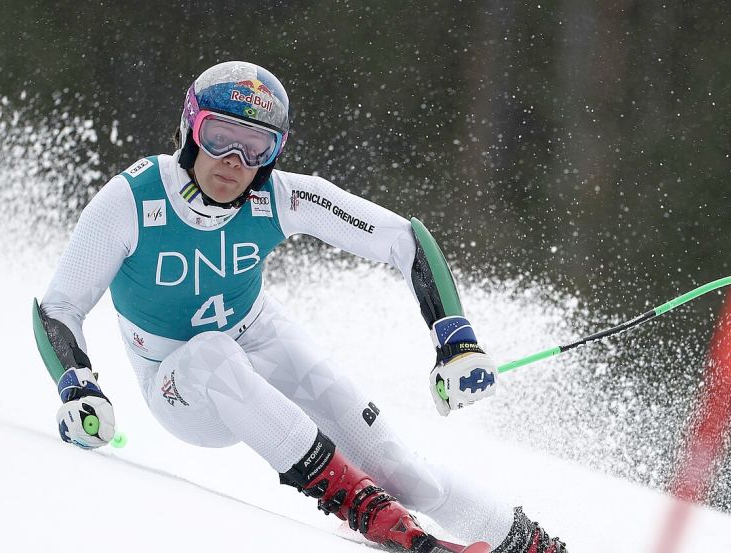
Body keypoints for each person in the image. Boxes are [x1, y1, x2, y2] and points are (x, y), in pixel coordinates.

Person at [33, 61, 566, 553]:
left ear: (275, 153)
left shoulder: (281, 196)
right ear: (190, 131)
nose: (234, 162)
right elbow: (57, 306)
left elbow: (404, 239)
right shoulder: (132, 198)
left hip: (260, 339)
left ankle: (528, 544)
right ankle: (361, 506)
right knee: (211, 352)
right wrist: (78, 386)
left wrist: (455, 337)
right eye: (219, 138)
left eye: (256, 147)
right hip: (179, 389)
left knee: (404, 470)